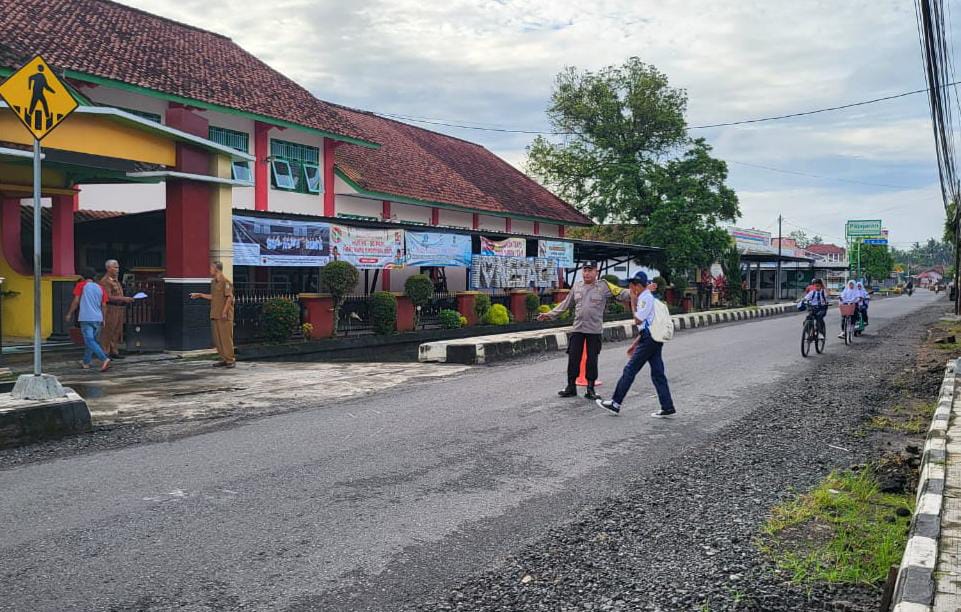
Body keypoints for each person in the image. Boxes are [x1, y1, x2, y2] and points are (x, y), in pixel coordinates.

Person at [537, 261, 629, 400]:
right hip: (578, 328)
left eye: (590, 270)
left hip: (594, 330)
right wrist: (549, 314)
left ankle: (590, 389)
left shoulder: (604, 286)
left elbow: (622, 293)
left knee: (592, 360)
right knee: (573, 358)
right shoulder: (577, 286)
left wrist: (639, 291)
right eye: (584, 270)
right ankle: (571, 387)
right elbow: (565, 304)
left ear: (596, 272)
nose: (587, 273)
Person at [596, 271, 676, 417]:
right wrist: (636, 342)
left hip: (650, 339)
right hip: (652, 338)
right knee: (658, 373)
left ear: (638, 285)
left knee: (630, 369)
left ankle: (615, 403)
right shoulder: (647, 297)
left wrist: (633, 300)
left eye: (632, 285)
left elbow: (638, 320)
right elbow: (647, 324)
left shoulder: (645, 299)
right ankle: (667, 406)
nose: (630, 287)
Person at [189, 261, 236, 368]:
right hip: (215, 313)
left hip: (224, 315)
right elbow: (213, 297)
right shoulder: (214, 282)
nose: (209, 270)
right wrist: (200, 295)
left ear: (216, 269)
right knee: (217, 339)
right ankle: (224, 358)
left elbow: (229, 298)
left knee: (225, 338)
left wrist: (224, 312)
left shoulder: (226, 282)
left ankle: (230, 360)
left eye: (211, 268)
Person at [65, 267, 111, 371]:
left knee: (89, 340)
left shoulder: (81, 285)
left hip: (86, 317)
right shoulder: (101, 288)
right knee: (92, 341)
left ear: (82, 277)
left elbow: (76, 301)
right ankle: (86, 362)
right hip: (98, 318)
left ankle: (104, 358)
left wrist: (69, 313)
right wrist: (103, 318)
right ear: (94, 277)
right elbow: (104, 305)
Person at [99, 259, 135, 359]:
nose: (117, 269)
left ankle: (114, 351)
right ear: (108, 268)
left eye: (117, 267)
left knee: (117, 331)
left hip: (119, 308)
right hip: (111, 308)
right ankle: (105, 352)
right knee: (108, 330)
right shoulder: (105, 281)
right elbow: (108, 297)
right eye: (115, 267)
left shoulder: (115, 280)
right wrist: (124, 298)